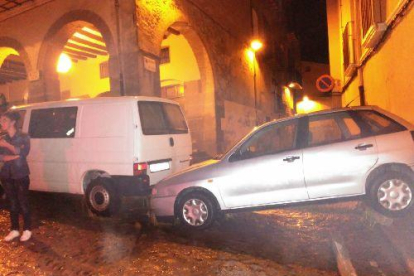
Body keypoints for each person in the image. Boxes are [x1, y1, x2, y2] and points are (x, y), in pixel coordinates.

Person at [0, 111, 32, 242]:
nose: (1, 123)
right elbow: (1, 156)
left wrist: (7, 146)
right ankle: (14, 229)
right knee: (12, 203)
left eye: (4, 120)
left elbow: (24, 152)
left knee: (23, 202)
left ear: (13, 122)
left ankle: (27, 229)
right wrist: (13, 155)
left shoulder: (23, 136)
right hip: (6, 174)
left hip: (21, 173)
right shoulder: (2, 137)